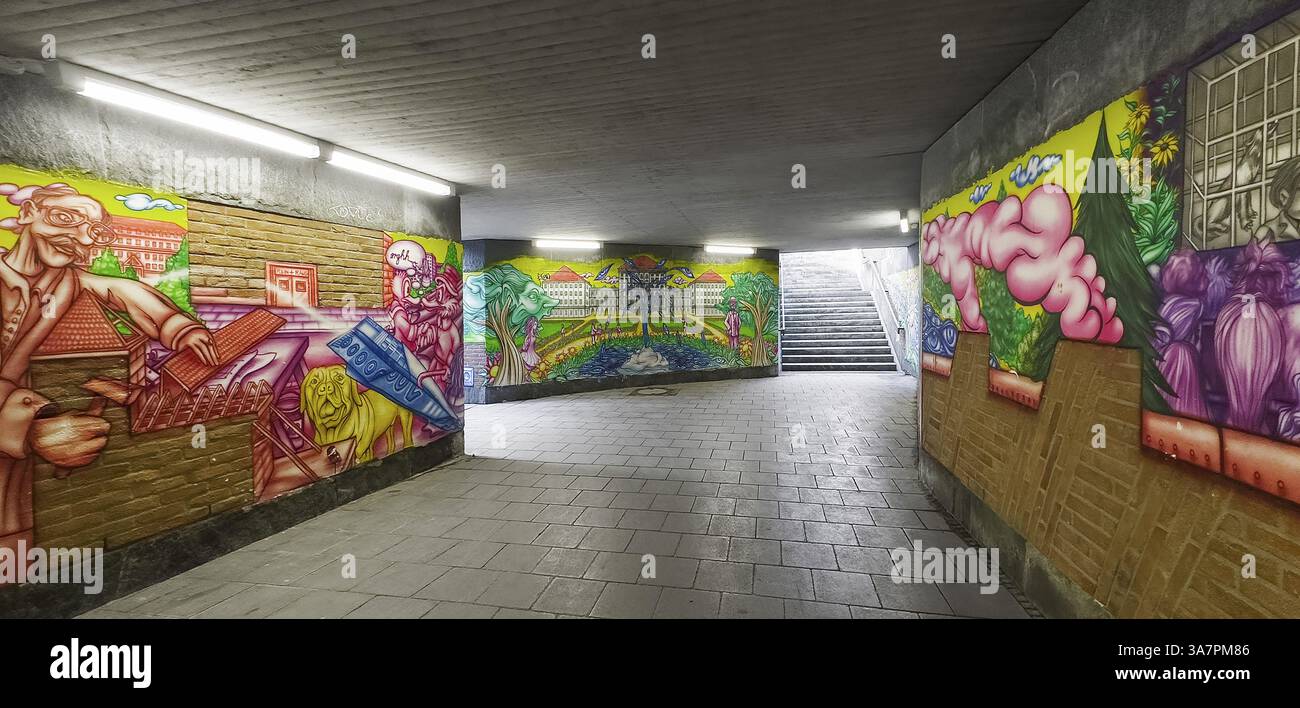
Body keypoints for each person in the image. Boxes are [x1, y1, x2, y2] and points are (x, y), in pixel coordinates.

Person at [0, 183, 217, 551]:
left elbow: (121, 291)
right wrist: (20, 428)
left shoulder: (66, 282)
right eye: (65, 218)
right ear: (27, 214)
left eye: (93, 231)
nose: (78, 237)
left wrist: (177, 326)